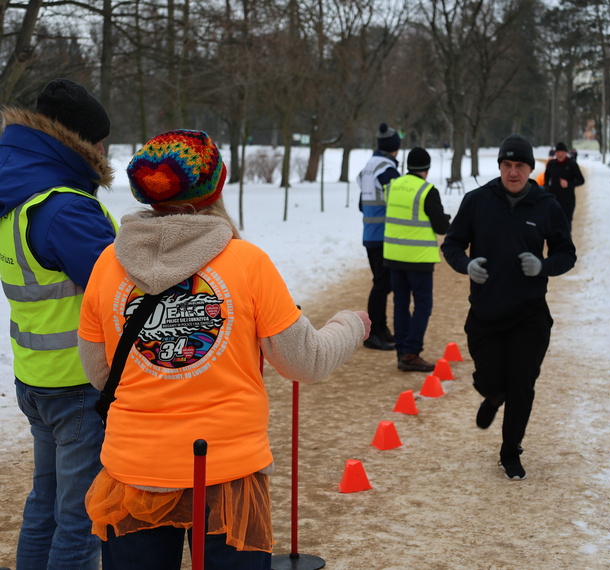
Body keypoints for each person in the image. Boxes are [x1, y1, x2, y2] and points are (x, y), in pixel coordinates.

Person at [77, 130, 370, 568]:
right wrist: (351, 325)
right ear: (216, 187)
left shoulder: (107, 264)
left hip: (135, 469)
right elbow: (305, 361)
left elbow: (100, 372)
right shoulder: (247, 263)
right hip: (228, 475)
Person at [0, 78, 116, 570]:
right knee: (80, 518)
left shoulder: (18, 194)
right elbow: (118, 292)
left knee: (44, 506)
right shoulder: (66, 208)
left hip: (38, 379)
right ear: (82, 142)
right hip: (78, 387)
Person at [441, 134, 576, 480]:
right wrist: (466, 264)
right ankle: (493, 394)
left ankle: (510, 449)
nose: (513, 172)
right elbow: (452, 244)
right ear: (499, 166)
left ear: (531, 169)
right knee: (491, 379)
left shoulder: (546, 206)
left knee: (523, 383)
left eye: (520, 166)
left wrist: (543, 265)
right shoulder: (477, 201)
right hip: (485, 313)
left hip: (529, 313)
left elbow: (567, 254)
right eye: (507, 165)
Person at [383, 147, 451, 372]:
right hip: (418, 258)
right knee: (422, 305)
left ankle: (402, 351)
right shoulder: (427, 190)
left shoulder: (392, 187)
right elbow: (441, 227)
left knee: (400, 304)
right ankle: (411, 353)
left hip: (394, 255)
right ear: (427, 169)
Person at [358, 122, 401, 350]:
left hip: (370, 233)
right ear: (395, 147)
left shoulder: (368, 167)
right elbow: (397, 201)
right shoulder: (387, 169)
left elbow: (361, 203)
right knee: (383, 284)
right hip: (384, 235)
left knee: (382, 283)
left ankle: (381, 329)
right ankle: (374, 332)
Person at [543, 141, 585, 225]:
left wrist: (569, 184)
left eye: (562, 152)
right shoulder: (551, 164)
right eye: (558, 152)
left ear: (566, 153)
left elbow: (581, 180)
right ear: (555, 153)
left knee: (565, 225)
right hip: (553, 199)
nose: (560, 155)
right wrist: (546, 186)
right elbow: (547, 176)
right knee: (552, 226)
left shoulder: (572, 164)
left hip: (568, 201)